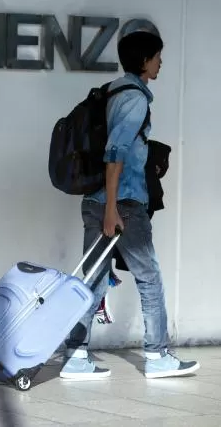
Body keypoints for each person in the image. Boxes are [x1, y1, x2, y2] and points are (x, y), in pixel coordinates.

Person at [60, 30, 199, 381]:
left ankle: (76, 356)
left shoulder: (111, 92)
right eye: (156, 56)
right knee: (149, 277)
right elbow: (115, 153)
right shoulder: (135, 98)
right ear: (143, 61)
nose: (160, 62)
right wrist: (113, 209)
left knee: (91, 281)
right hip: (121, 204)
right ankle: (158, 356)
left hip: (96, 199)